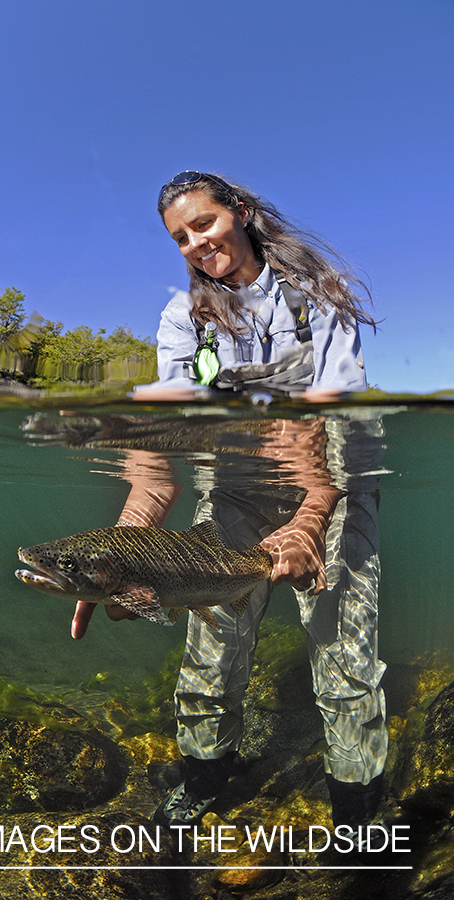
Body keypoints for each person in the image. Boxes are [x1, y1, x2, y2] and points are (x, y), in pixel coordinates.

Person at [71, 171, 387, 838]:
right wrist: (116, 554)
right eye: (180, 238)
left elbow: (331, 430)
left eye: (204, 224)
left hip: (332, 477)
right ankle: (204, 779)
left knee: (343, 658)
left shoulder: (315, 294)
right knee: (209, 651)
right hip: (232, 489)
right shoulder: (181, 320)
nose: (195, 243)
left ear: (240, 212)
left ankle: (357, 812)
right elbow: (156, 472)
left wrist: (307, 522)